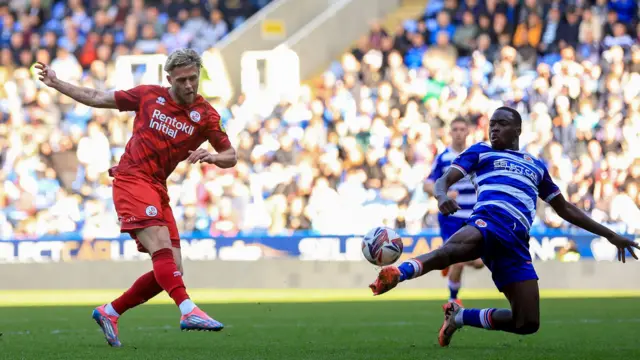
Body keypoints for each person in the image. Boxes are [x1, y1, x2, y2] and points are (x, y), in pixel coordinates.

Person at [369, 106, 639, 347]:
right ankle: (398, 273)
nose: (494, 128)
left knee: (527, 322)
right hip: (488, 222)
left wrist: (611, 235)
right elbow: (442, 180)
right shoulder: (480, 152)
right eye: (491, 124)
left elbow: (565, 208)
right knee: (452, 253)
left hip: (516, 243)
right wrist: (441, 197)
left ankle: (459, 317)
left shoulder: (536, 166)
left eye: (501, 123)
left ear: (518, 129)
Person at [36, 48, 238, 347]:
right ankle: (187, 310)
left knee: (173, 268)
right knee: (160, 247)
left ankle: (110, 311)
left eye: (193, 78)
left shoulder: (207, 115)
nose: (188, 85)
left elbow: (231, 155)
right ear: (169, 79)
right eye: (181, 79)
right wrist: (57, 83)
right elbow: (96, 97)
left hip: (158, 186)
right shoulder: (148, 96)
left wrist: (212, 156)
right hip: (132, 177)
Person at [424, 118, 484, 306]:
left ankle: (447, 262)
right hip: (451, 217)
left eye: (462, 129)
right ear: (450, 133)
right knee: (459, 260)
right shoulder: (443, 158)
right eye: (455, 129)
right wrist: (443, 192)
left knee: (479, 262)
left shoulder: (475, 156)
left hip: (473, 216)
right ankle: (452, 300)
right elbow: (427, 184)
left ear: (468, 132)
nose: (458, 132)